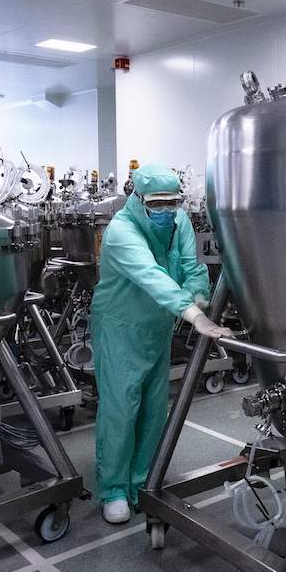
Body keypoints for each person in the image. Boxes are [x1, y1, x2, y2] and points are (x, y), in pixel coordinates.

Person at [91, 163, 230, 524]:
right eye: (158, 204)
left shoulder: (179, 220)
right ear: (137, 198)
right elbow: (151, 276)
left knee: (154, 408)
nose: (167, 211)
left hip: (157, 324)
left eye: (173, 202)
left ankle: (141, 481)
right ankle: (115, 488)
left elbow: (190, 261)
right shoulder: (120, 231)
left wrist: (199, 291)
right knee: (121, 408)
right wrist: (195, 315)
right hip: (120, 326)